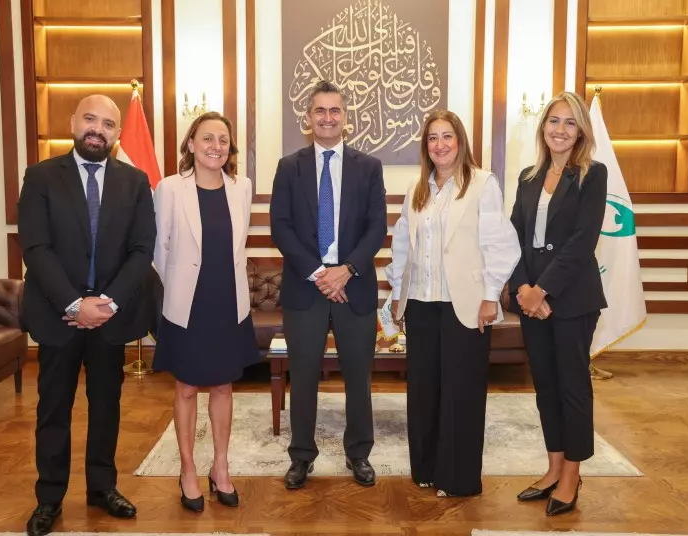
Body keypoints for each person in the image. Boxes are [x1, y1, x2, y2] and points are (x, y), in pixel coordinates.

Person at [18, 95, 156, 536]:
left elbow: (142, 249)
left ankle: (102, 487)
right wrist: (75, 305)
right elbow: (35, 247)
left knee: (106, 406)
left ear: (117, 133)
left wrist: (107, 303)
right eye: (90, 119)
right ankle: (49, 497)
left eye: (109, 124)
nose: (98, 129)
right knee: (53, 409)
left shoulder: (135, 181)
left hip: (109, 317)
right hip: (57, 315)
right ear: (73, 122)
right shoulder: (41, 176)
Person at [386, 110, 520, 497]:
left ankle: (457, 479)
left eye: (447, 136)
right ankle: (426, 469)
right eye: (433, 138)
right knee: (424, 391)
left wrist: (490, 296)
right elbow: (402, 245)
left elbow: (500, 244)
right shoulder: (417, 189)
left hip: (466, 304)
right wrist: (396, 295)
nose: (440, 144)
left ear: (460, 141)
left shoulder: (482, 183)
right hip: (421, 303)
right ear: (425, 146)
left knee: (462, 392)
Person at [270, 80, 387, 489]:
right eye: (319, 110)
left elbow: (376, 227)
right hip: (307, 287)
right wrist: (320, 274)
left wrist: (347, 269)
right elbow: (280, 227)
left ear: (345, 117)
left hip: (354, 285)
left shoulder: (368, 167)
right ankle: (302, 456)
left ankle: (359, 453)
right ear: (308, 118)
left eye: (335, 110)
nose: (327, 117)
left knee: (358, 377)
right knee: (302, 377)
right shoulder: (289, 167)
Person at [152, 112, 258, 512]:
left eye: (223, 140)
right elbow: (160, 250)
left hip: (228, 300)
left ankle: (221, 466)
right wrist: (180, 287)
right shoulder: (169, 188)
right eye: (208, 138)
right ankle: (188, 470)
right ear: (191, 144)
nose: (216, 146)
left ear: (230, 148)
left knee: (224, 387)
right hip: (188, 304)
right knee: (186, 388)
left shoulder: (241, 187)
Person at [509, 91, 608, 516]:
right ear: (543, 127)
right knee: (545, 385)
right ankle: (552, 468)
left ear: (581, 131)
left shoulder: (593, 174)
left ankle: (571, 475)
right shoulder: (528, 177)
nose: (560, 129)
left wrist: (542, 290)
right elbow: (513, 238)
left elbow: (582, 242)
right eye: (554, 120)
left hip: (572, 299)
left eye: (570, 122)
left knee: (572, 387)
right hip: (532, 300)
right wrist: (522, 289)